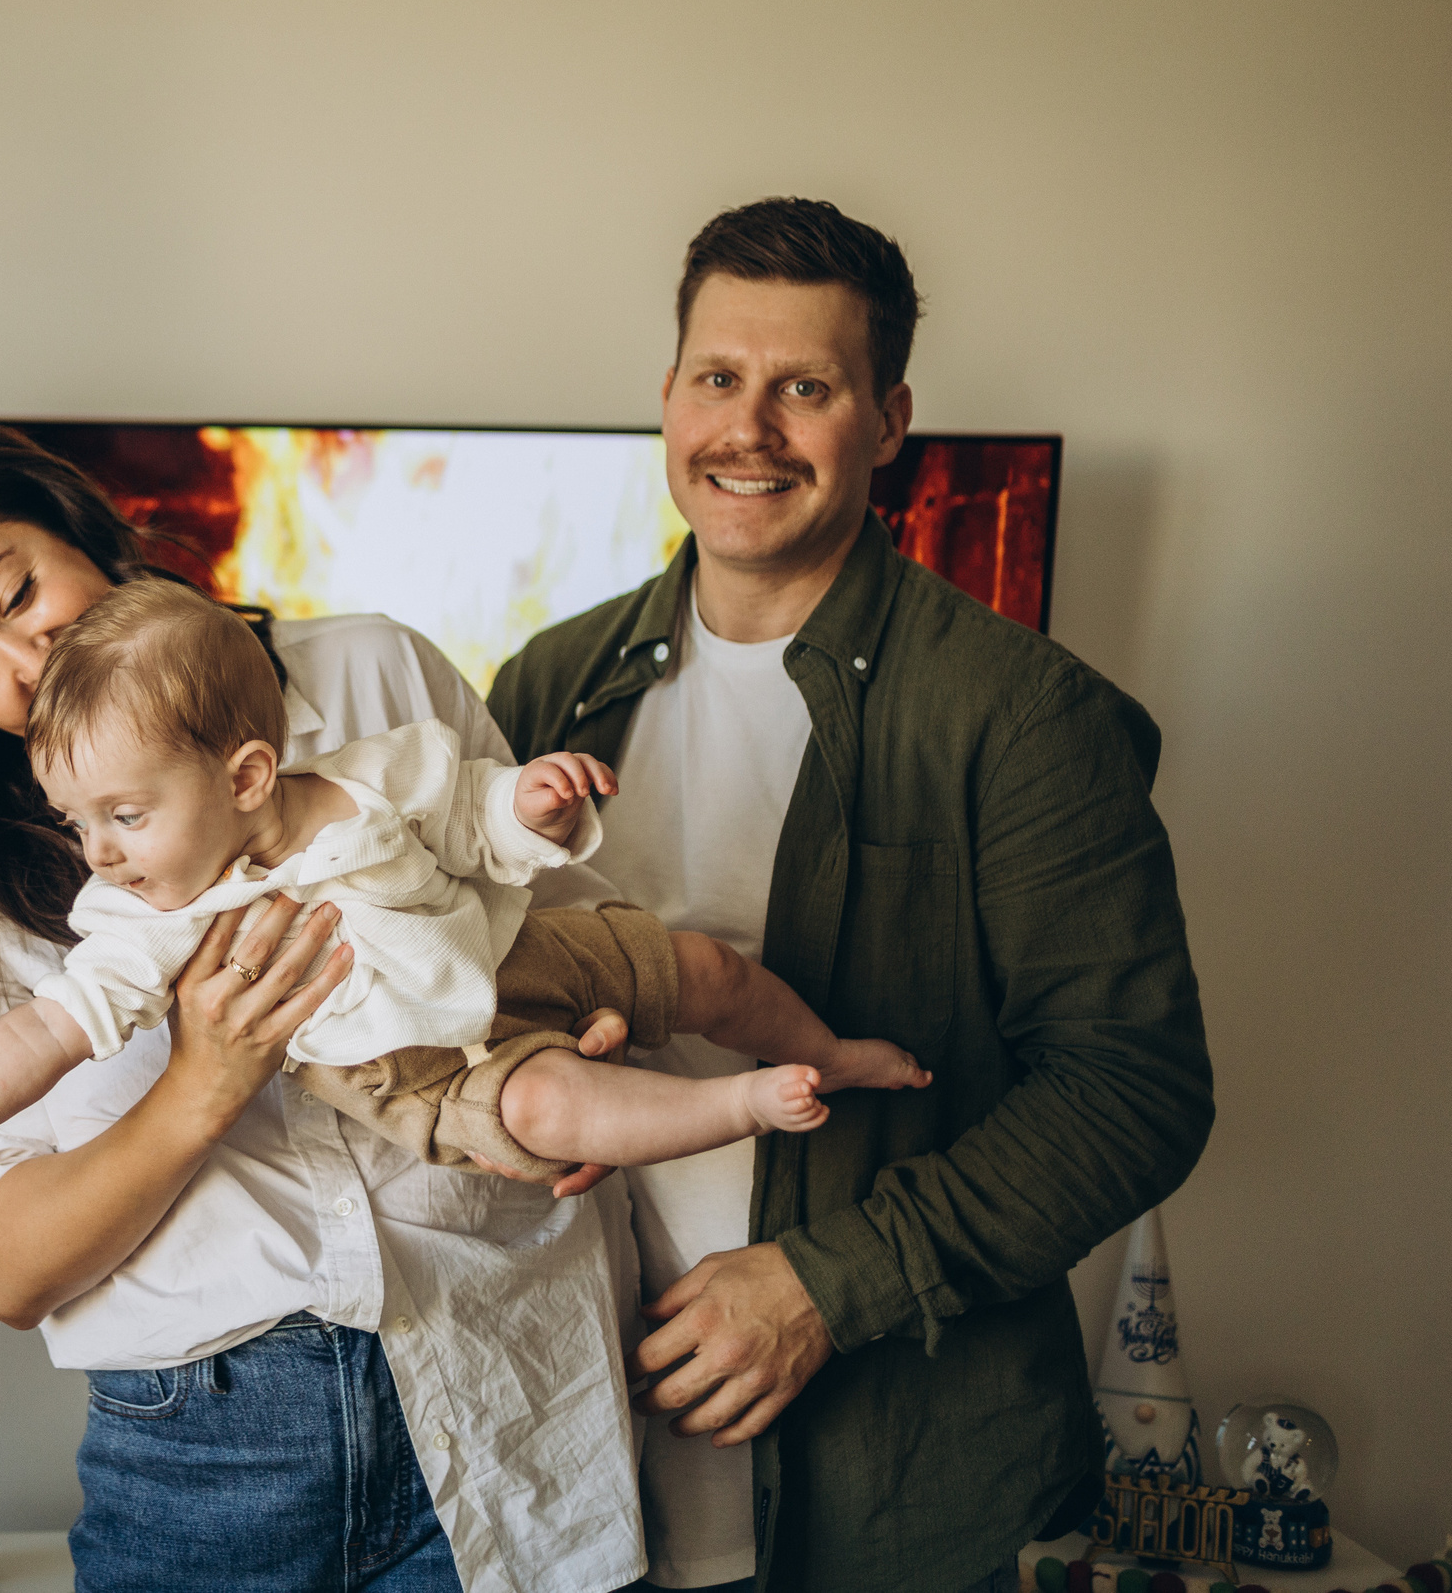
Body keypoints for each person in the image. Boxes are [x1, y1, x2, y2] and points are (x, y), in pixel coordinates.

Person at [487, 198, 1214, 1593]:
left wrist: (826, 1284)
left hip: (908, 1490)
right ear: (668, 394)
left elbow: (1137, 1088)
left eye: (804, 388)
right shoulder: (550, 686)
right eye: (719, 377)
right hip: (584, 1483)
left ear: (886, 421)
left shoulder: (1022, 714)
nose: (747, 429)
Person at [0, 425, 646, 1593]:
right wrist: (199, 1084)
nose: (28, 663)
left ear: (73, 522)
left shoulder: (370, 673)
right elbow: (7, 1270)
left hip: (502, 1374)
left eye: (18, 591)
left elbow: (552, 909)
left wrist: (596, 1041)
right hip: (214, 1446)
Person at [0, 577, 929, 1191]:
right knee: (548, 1108)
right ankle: (735, 1106)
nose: (97, 853)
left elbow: (474, 815)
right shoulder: (148, 914)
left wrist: (532, 802)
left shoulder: (372, 773)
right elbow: (39, 1036)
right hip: (416, 1066)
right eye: (78, 822)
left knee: (694, 964)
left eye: (123, 817)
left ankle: (827, 1051)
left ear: (248, 774)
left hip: (507, 953)